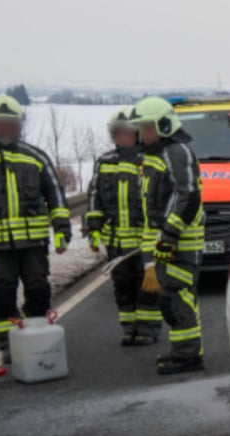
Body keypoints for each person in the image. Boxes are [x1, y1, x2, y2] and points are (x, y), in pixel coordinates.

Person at [0, 94, 70, 363]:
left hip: (34, 244)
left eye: (10, 124)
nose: (5, 129)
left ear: (19, 125)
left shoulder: (35, 156)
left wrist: (62, 229)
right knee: (2, 294)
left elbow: (56, 196)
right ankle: (9, 347)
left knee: (38, 289)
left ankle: (38, 342)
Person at [129, 96, 205, 375]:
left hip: (181, 242)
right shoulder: (153, 156)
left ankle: (188, 356)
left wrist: (170, 236)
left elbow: (189, 197)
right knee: (170, 299)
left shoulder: (177, 151)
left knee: (179, 297)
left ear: (163, 125)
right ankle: (182, 352)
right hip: (167, 242)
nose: (142, 133)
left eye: (147, 128)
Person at [86, 108, 160, 346]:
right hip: (116, 242)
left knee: (147, 287)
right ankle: (129, 328)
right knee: (123, 287)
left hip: (143, 242)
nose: (121, 137)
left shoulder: (149, 161)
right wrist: (94, 228)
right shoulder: (105, 162)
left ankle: (148, 329)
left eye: (126, 133)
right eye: (117, 133)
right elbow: (95, 196)